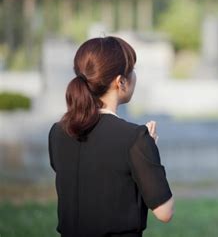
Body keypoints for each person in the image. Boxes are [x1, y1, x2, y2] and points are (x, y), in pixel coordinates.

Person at [48, 36, 174, 237]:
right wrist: (149, 153)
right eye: (132, 69)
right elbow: (165, 212)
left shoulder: (58, 132)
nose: (135, 76)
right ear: (120, 82)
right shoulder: (135, 138)